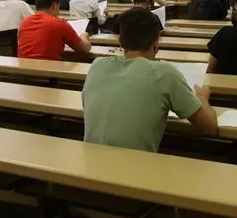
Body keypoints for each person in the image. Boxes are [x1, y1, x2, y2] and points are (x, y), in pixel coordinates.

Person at [82, 8, 218, 152]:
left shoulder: (97, 65)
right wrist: (202, 98)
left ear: (121, 41)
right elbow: (209, 128)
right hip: (133, 170)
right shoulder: (164, 74)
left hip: (90, 162)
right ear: (156, 41)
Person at [18, 0, 92, 60]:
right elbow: (84, 50)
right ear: (54, 5)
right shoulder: (59, 23)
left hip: (22, 70)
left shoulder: (24, 22)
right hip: (48, 70)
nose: (58, 11)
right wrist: (84, 36)